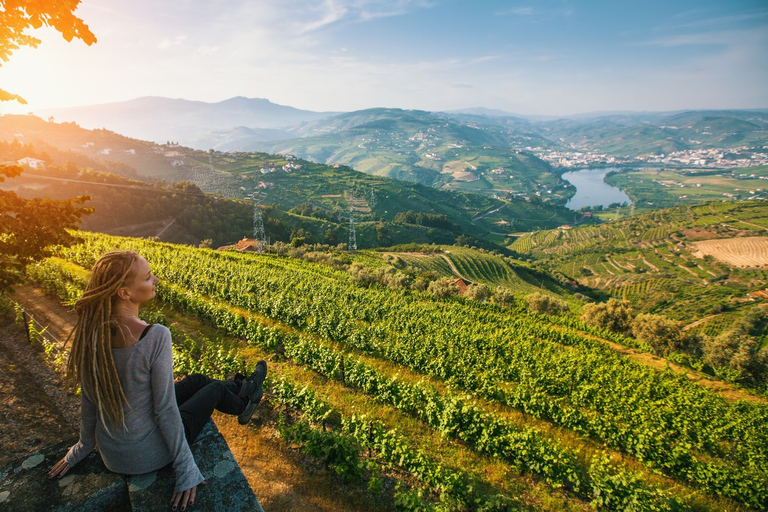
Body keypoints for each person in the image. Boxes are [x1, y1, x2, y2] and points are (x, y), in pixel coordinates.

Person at [46, 251, 266, 511]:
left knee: (197, 380)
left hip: (113, 455)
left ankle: (248, 388)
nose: (156, 280)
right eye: (148, 277)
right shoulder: (154, 336)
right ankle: (244, 404)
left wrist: (83, 446)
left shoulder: (91, 332)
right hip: (149, 453)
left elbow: (90, 400)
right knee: (214, 388)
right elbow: (164, 409)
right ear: (125, 293)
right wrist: (186, 468)